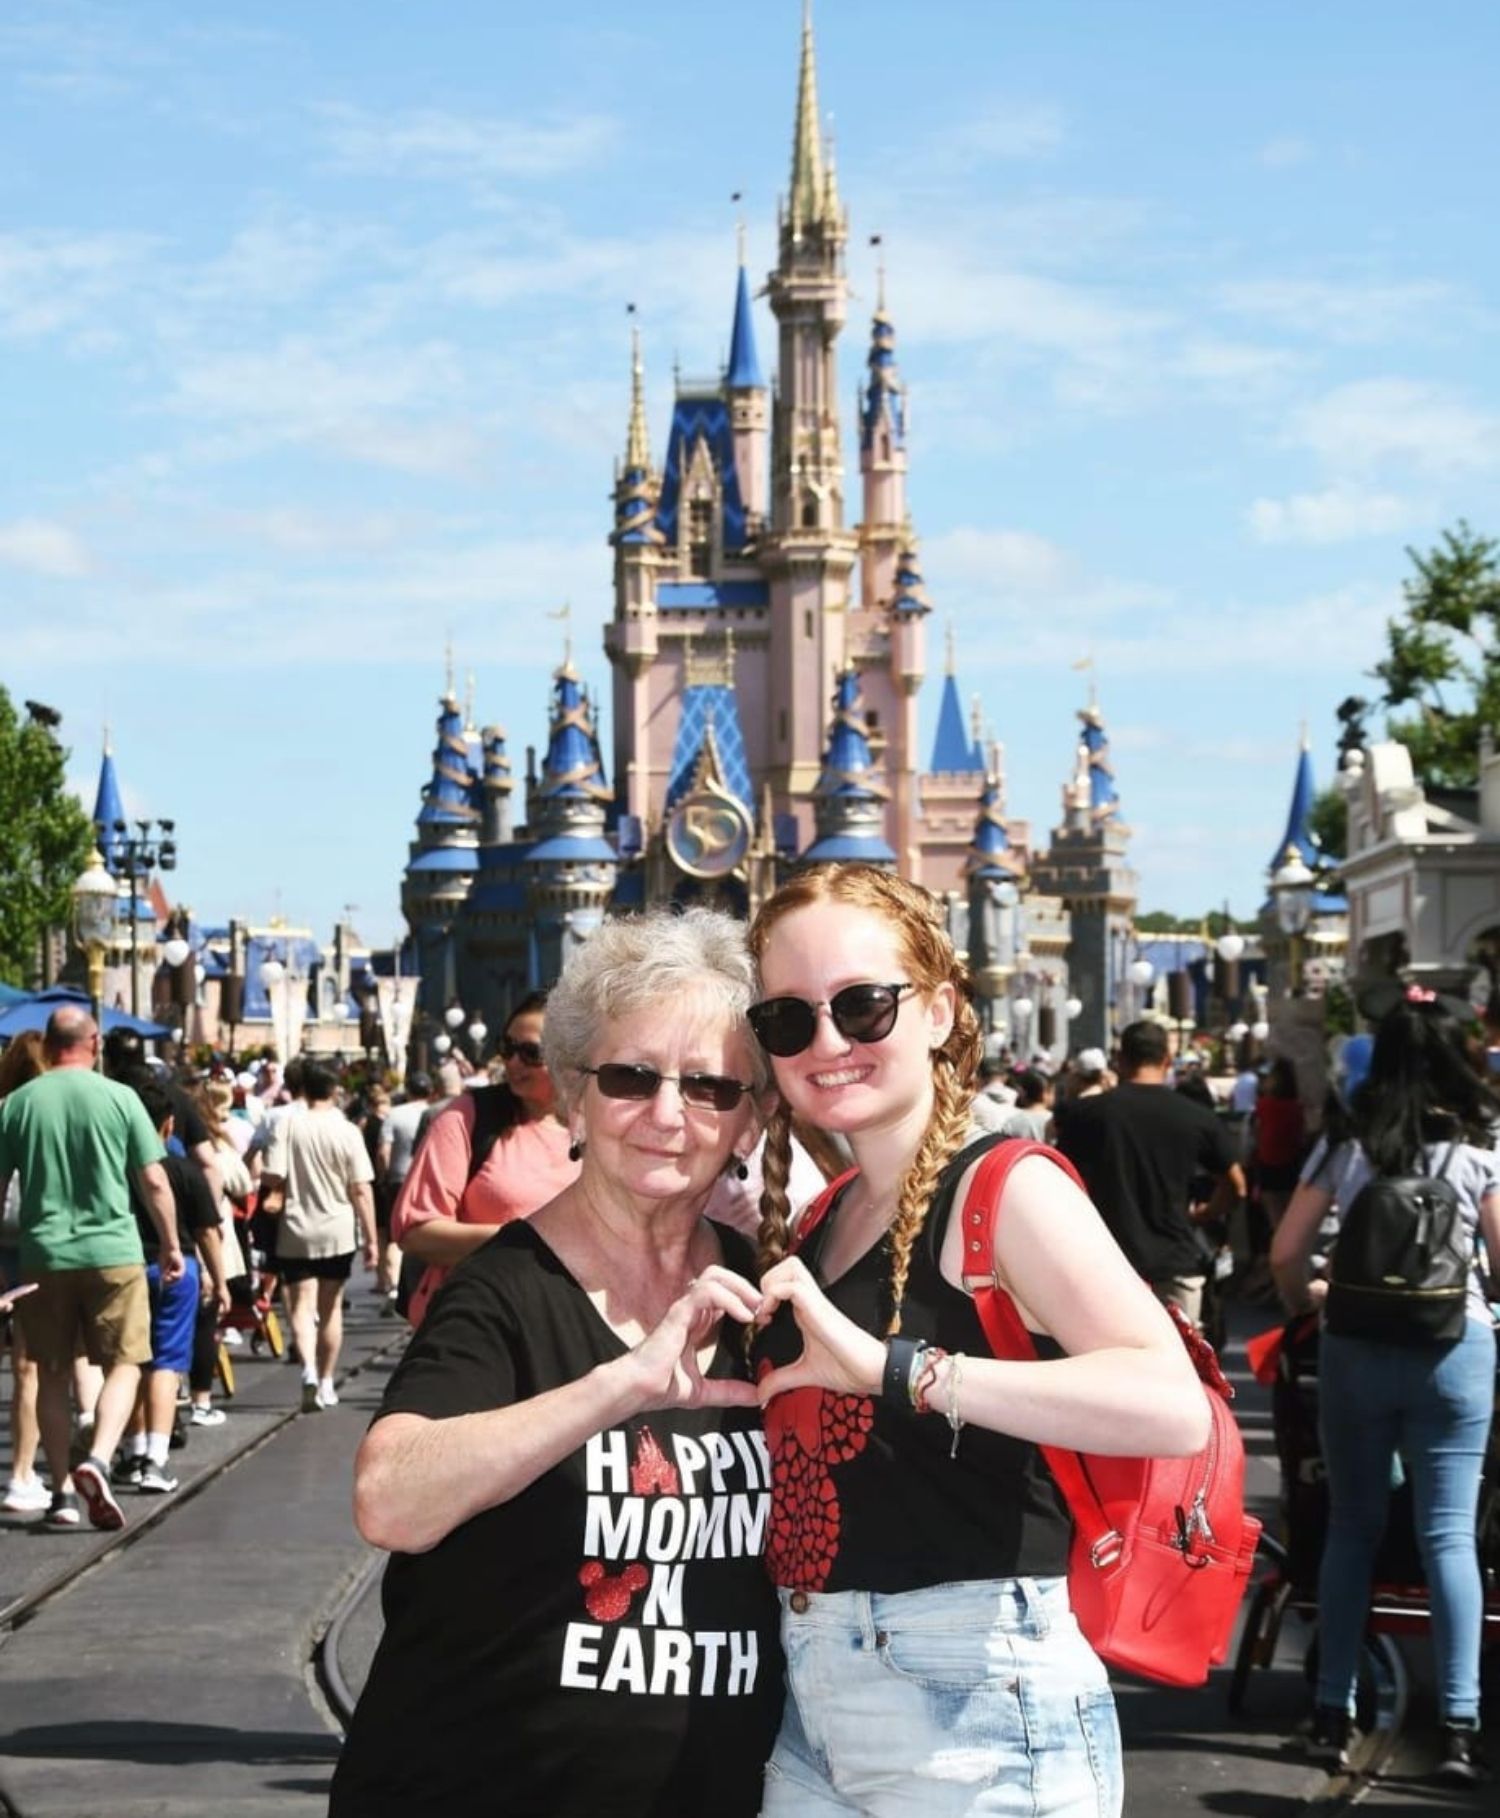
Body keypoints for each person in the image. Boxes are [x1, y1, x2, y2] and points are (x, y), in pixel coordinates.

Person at [746, 864, 1208, 1818]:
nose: (827, 1041)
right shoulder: (829, 1214)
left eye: (863, 1005)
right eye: (788, 1019)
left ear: (941, 1009)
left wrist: (897, 1371)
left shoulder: (1005, 1188)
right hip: (814, 1699)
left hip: (974, 1709)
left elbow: (1169, 1406)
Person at [330, 908, 784, 1818]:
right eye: (630, 1078)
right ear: (574, 1099)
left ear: (751, 1120)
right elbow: (390, 1497)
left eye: (709, 1087)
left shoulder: (762, 1294)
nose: (667, 1115)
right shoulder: (502, 1291)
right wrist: (620, 1385)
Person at [1271, 991, 1500, 1784]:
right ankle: (1461, 1723)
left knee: (1352, 1528)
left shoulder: (1346, 1143)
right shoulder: (1476, 1149)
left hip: (1356, 1348)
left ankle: (1332, 1710)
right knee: (1448, 1534)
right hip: (1454, 1349)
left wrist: (1314, 1303)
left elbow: (1285, 1252)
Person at [0, 1007, 181, 1531]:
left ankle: (60, 1494)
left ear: (48, 1044)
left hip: (43, 1255)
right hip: (113, 1253)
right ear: (93, 1042)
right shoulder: (120, 1098)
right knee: (125, 1362)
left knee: (51, 1373)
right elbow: (153, 1180)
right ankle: (98, 1457)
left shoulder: (15, 1105)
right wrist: (170, 1242)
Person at [391, 994, 577, 1327]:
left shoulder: (599, 1126)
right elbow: (415, 1230)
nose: (513, 1062)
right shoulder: (467, 1117)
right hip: (480, 1322)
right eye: (507, 1048)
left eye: (530, 1053)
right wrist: (523, 1242)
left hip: (570, 1323)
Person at [1054, 1020, 1246, 1330]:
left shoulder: (1085, 1115)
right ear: (1167, 1061)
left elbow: (1059, 1182)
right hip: (1176, 1263)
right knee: (1182, 1368)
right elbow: (1237, 1185)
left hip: (1103, 1264)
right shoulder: (1196, 1116)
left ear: (1120, 1060)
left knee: (1107, 1367)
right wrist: (1205, 1213)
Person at [259, 1061, 376, 1412]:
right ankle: (327, 1382)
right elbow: (361, 1189)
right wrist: (372, 1240)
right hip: (338, 1230)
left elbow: (272, 1175)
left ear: (303, 1090)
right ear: (335, 1090)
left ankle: (308, 1370)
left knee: (301, 1305)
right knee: (331, 1308)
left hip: (296, 1228)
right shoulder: (348, 1131)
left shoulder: (288, 1125)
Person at [1, 1033, 47, 1514]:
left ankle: (23, 1471)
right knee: (38, 1365)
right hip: (51, 1239)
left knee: (25, 1366)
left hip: (7, 1240)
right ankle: (25, 1470)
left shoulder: (4, 1107)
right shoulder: (56, 1105)